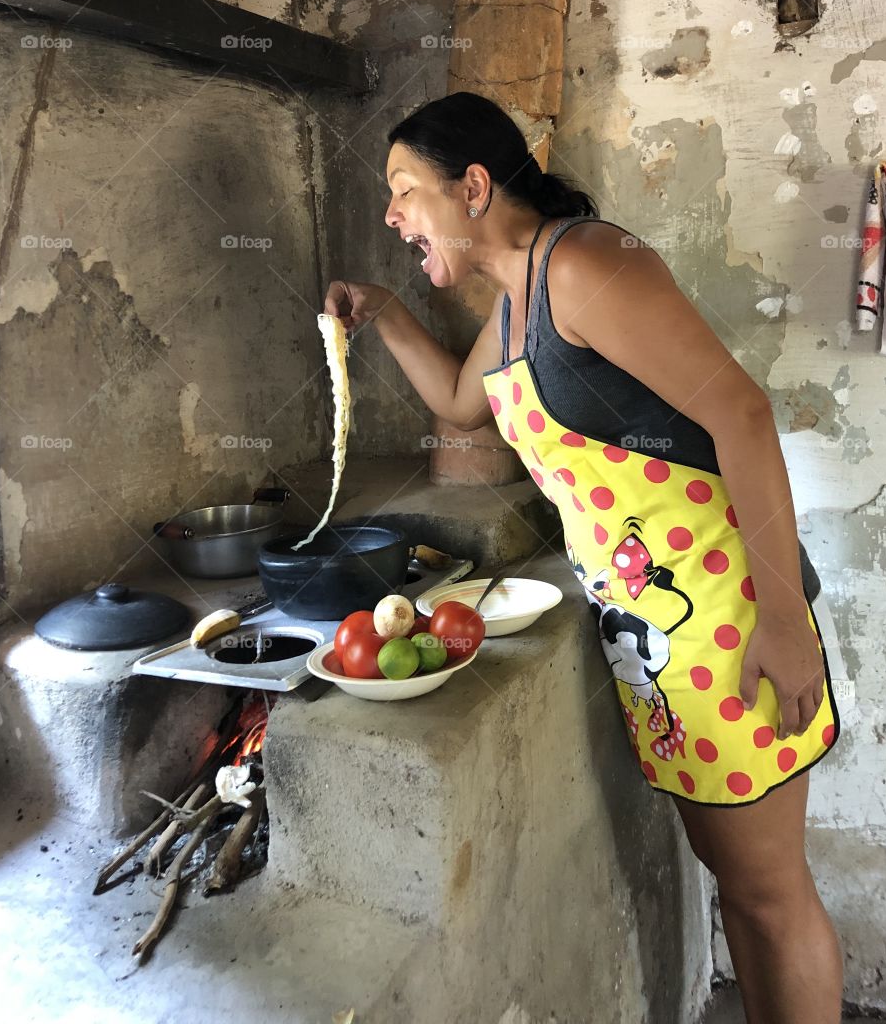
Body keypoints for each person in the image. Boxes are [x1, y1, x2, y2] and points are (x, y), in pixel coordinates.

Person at [324, 90, 843, 1024]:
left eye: (405, 190)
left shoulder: (582, 264)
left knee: (771, 895)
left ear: (474, 186)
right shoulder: (516, 301)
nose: (392, 213)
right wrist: (385, 311)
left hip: (727, 619)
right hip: (652, 635)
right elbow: (456, 400)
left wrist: (781, 622)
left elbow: (743, 414)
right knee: (736, 885)